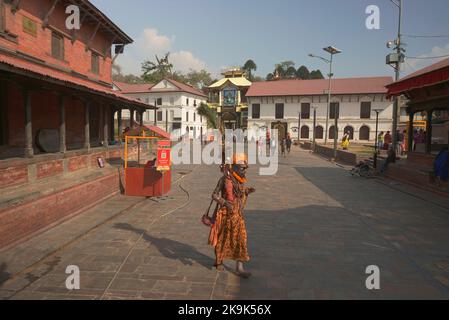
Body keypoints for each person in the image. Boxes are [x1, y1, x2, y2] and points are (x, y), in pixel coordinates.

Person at [208, 154, 256, 278]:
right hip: (226, 215)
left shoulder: (240, 180)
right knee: (223, 239)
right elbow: (214, 195)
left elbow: (239, 195)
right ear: (234, 167)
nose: (244, 170)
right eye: (241, 168)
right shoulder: (225, 179)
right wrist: (224, 203)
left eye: (245, 168)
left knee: (241, 240)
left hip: (238, 216)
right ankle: (218, 261)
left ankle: (239, 268)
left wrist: (246, 192)